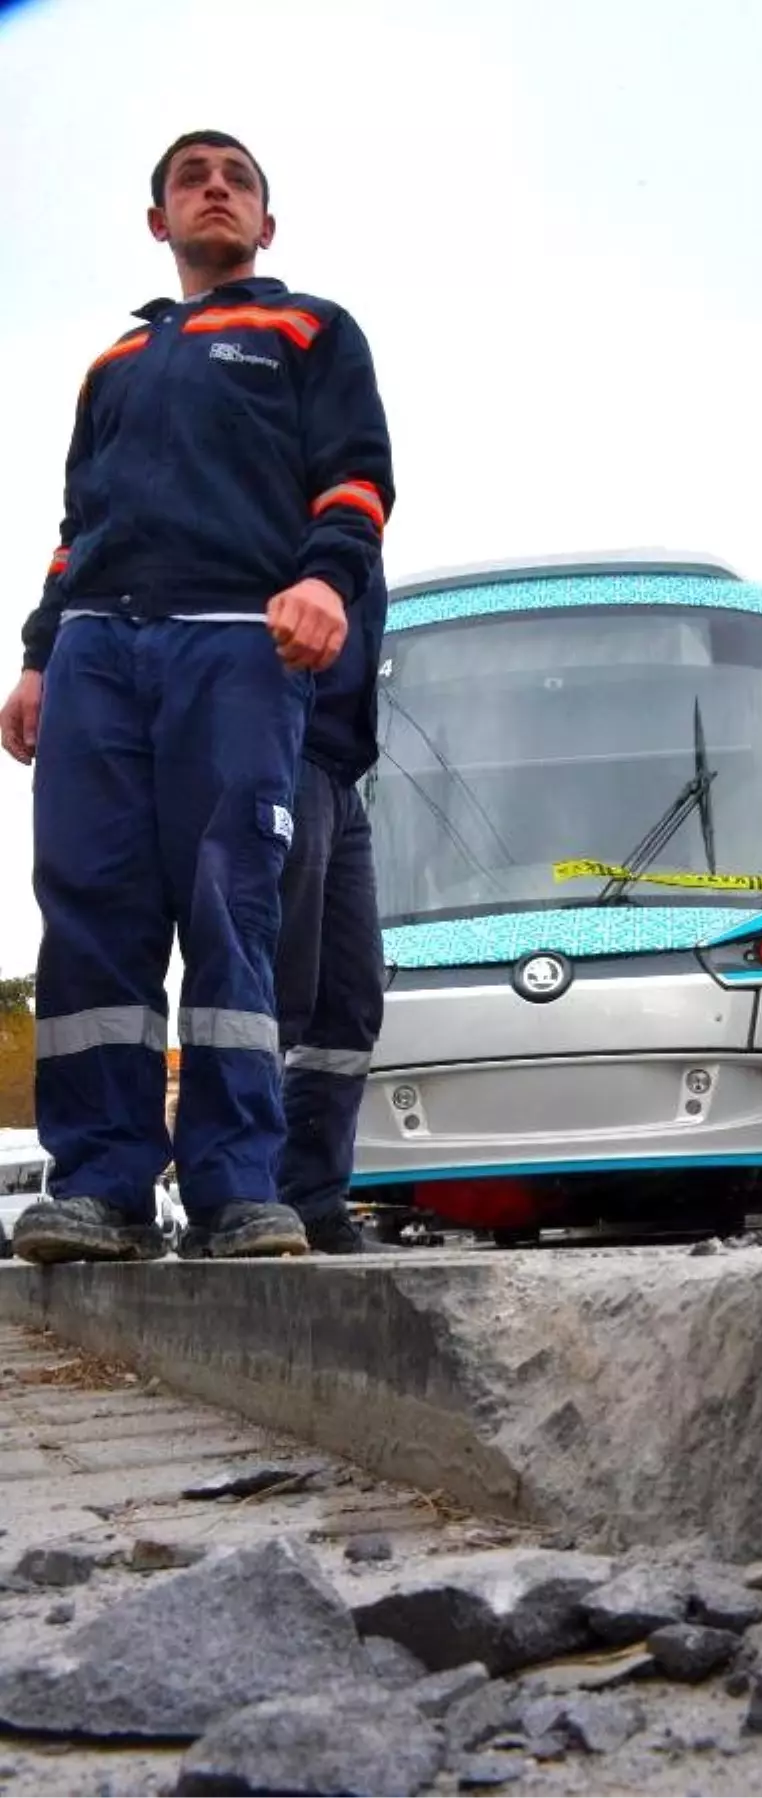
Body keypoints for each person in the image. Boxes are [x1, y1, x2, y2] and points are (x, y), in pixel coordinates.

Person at [1, 130, 393, 1264]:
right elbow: (79, 526)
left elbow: (359, 476)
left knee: (234, 905)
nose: (213, 189)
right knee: (91, 907)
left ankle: (234, 1191)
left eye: (236, 180)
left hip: (237, 641)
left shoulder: (311, 329)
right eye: (189, 179)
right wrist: (37, 655)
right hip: (96, 650)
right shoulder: (114, 366)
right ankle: (102, 1190)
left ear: (266, 225)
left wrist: (324, 576)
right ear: (157, 223)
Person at [268, 562, 390, 1255]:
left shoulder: (354, 524)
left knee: (350, 996)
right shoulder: (284, 479)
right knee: (277, 985)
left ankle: (312, 1200)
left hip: (343, 772)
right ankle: (242, 1194)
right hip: (288, 750)